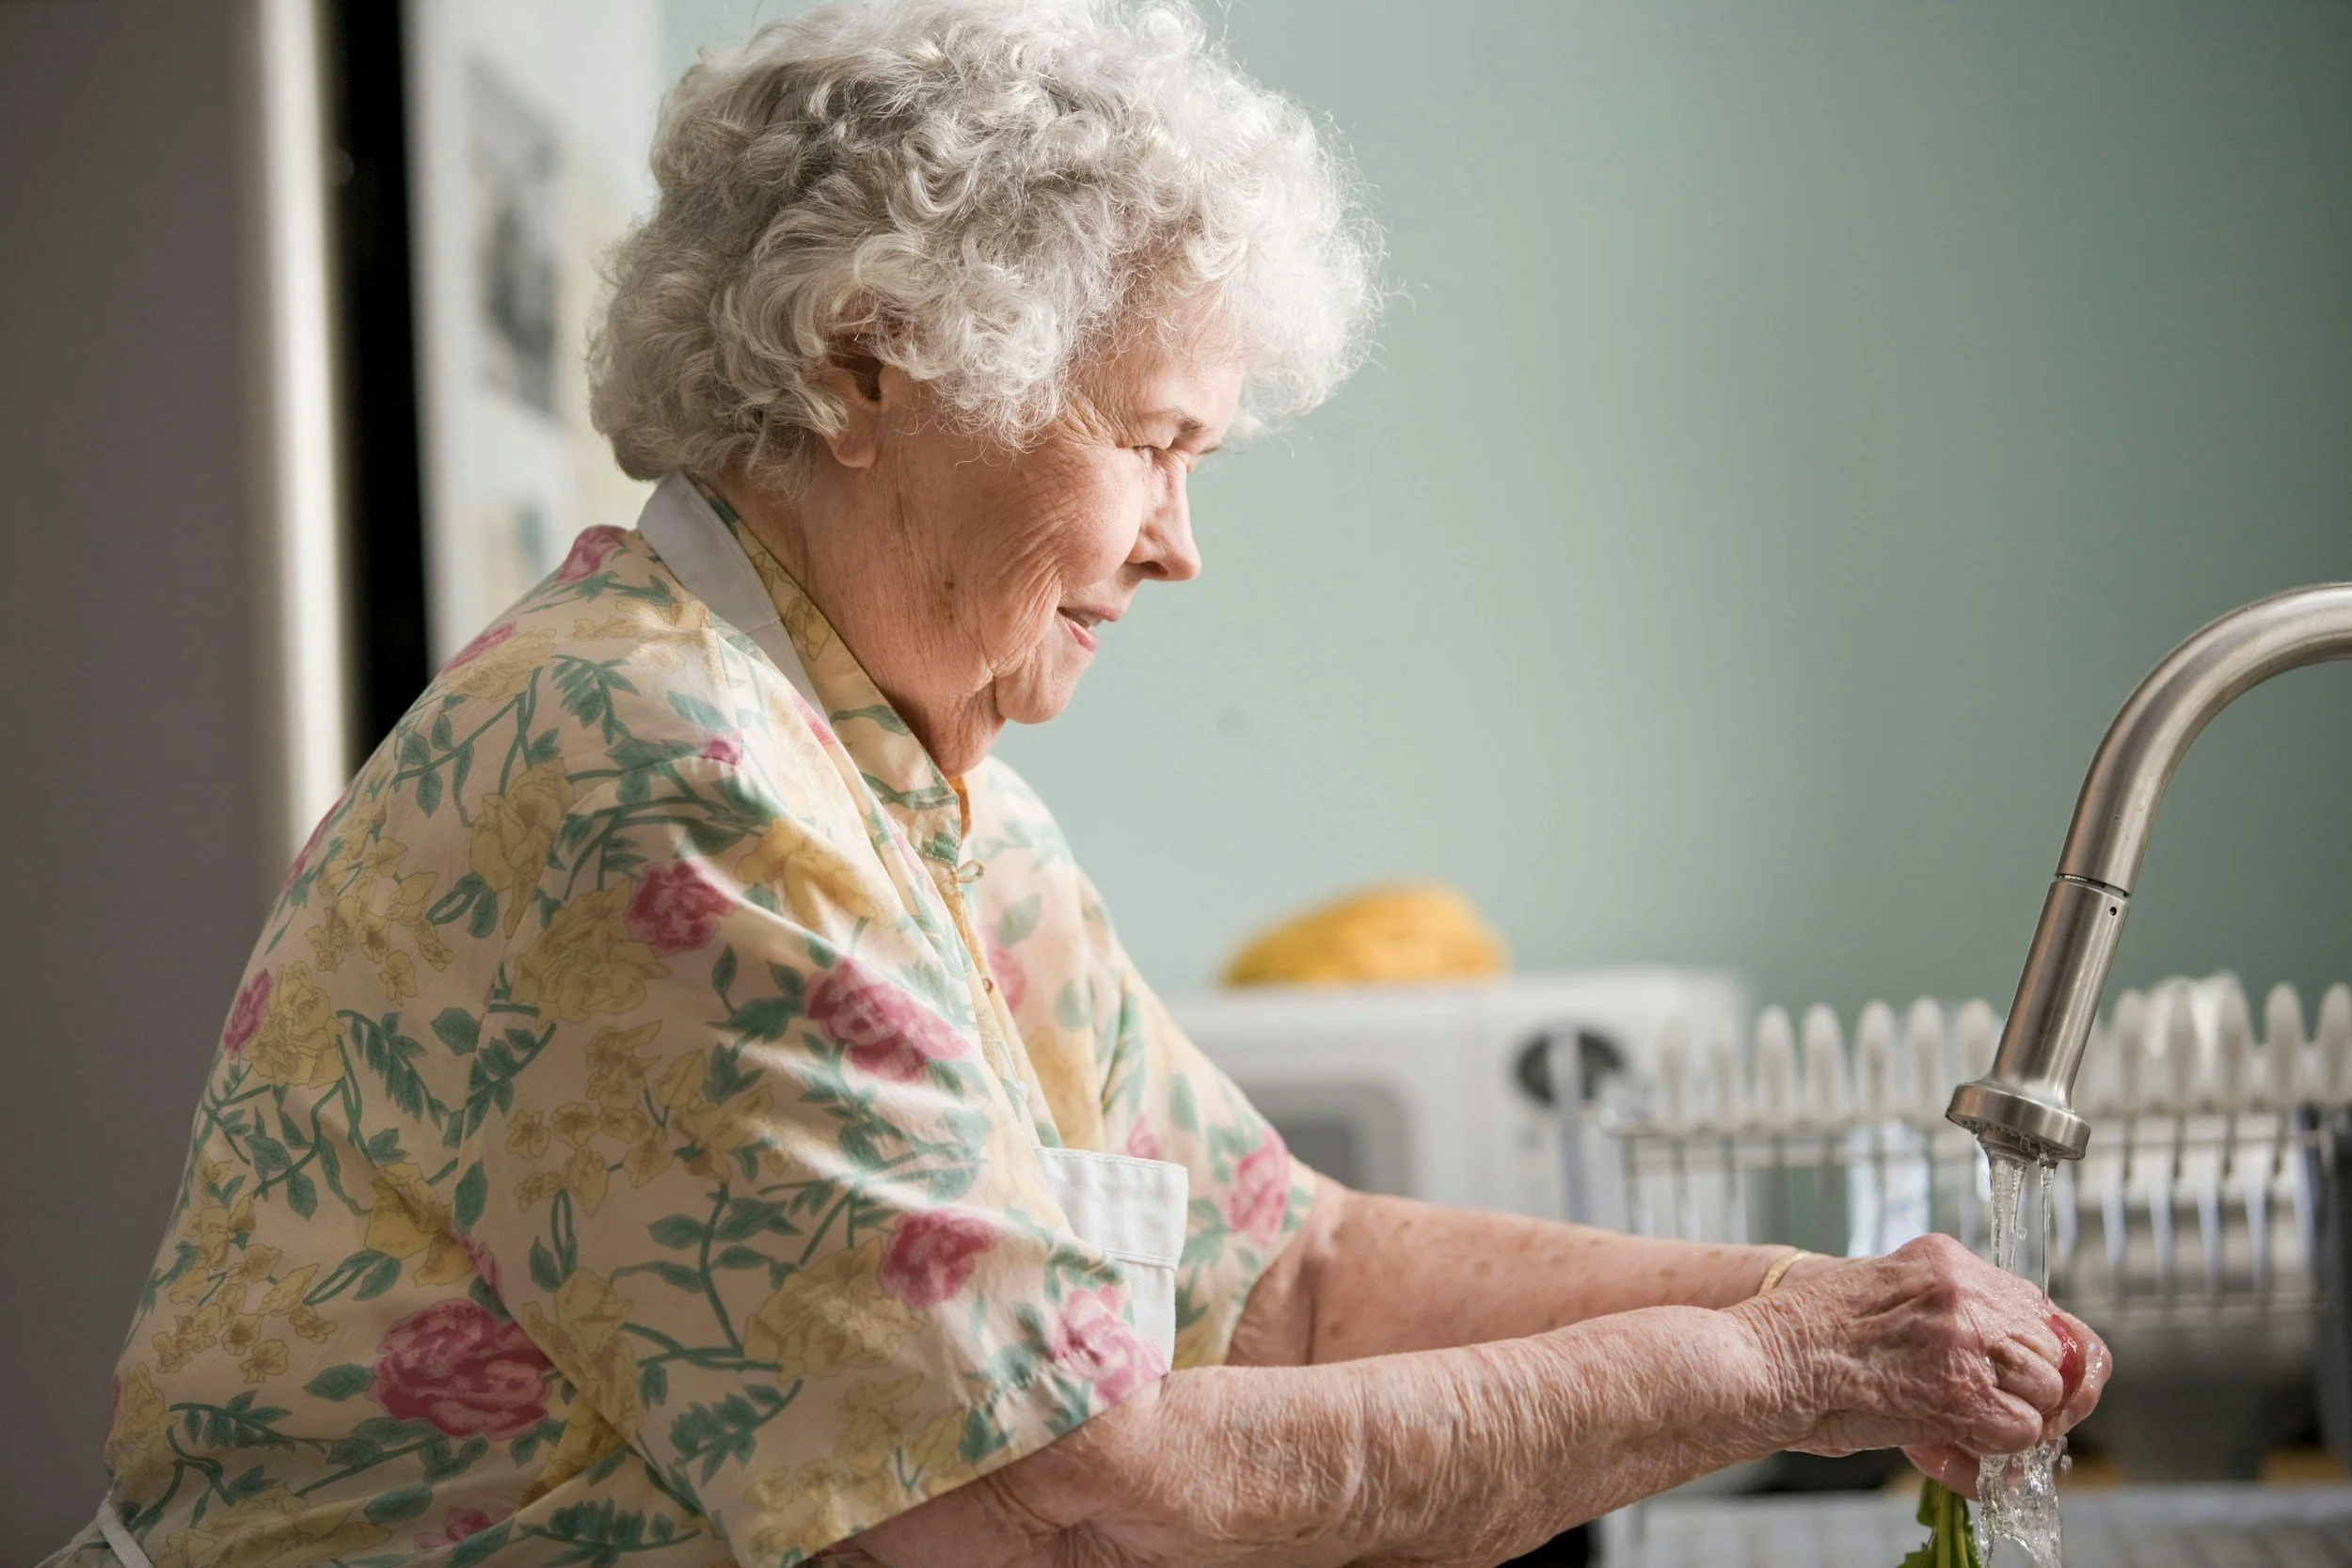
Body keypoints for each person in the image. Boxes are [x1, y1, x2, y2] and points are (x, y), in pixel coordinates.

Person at [50, 3, 2106, 1564]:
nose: (1178, 542)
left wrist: (1838, 1305)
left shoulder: (914, 783)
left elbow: (1280, 1271)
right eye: (1149, 441)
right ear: (868, 364)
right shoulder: (658, 775)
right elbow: (1051, 1498)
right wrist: (1775, 1367)